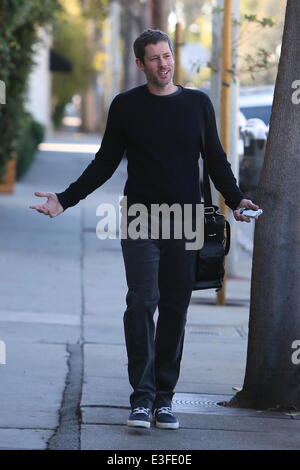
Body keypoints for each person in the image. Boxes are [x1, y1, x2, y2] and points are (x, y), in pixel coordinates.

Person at [29, 29, 259, 430]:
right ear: (140, 64)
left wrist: (237, 199)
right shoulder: (126, 107)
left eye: (167, 56)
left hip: (185, 219)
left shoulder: (198, 104)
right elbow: (104, 162)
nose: (163, 64)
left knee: (174, 310)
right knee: (141, 302)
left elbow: (216, 160)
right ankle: (142, 397)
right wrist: (65, 199)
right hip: (141, 219)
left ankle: (165, 398)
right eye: (154, 58)